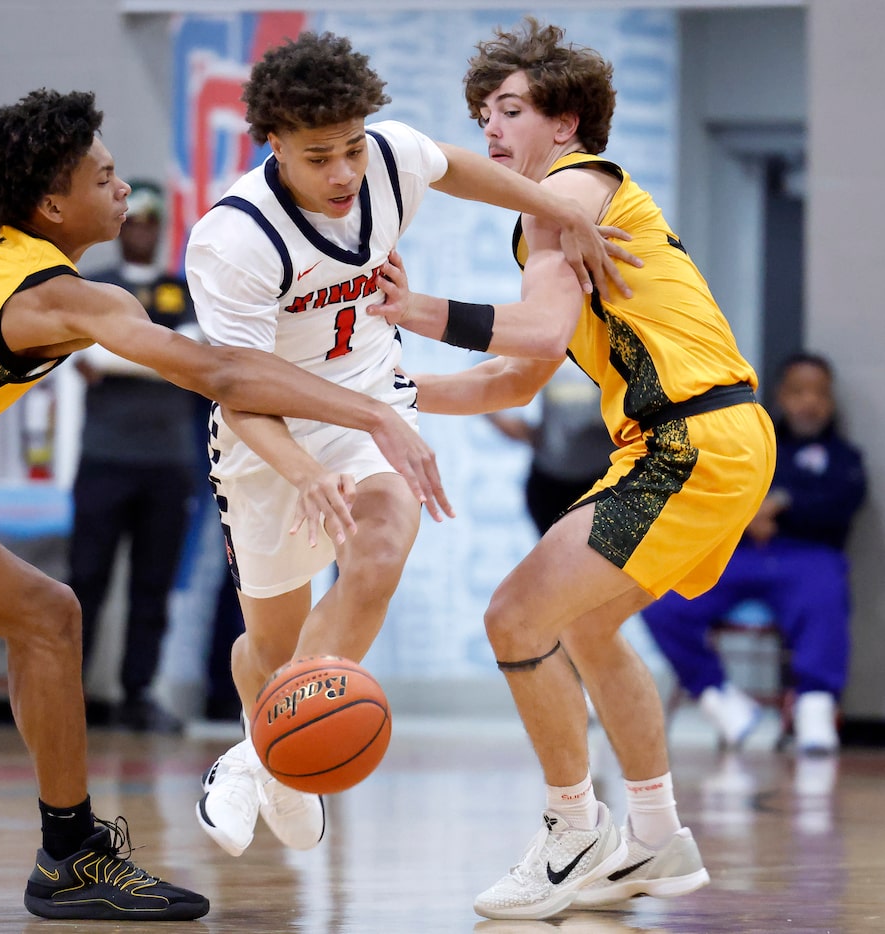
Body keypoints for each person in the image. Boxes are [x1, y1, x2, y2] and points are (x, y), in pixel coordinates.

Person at [0, 88, 455, 923]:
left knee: (42, 616)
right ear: (53, 206)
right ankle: (72, 858)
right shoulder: (67, 299)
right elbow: (222, 374)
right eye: (105, 176)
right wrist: (371, 412)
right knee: (46, 616)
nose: (123, 189)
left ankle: (70, 855)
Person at [183, 30, 637, 861]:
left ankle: (253, 757)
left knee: (381, 547)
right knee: (273, 648)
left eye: (353, 148)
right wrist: (303, 469)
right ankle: (273, 741)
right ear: (273, 144)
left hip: (369, 402)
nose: (344, 173)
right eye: (319, 157)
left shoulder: (388, 158)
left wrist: (559, 208)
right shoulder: (233, 241)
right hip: (268, 431)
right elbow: (239, 391)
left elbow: (456, 167)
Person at [369, 19, 777, 920]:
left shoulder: (570, 186)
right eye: (483, 112)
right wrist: (383, 395)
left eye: (510, 108)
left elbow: (539, 332)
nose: (490, 126)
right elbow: (514, 380)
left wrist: (412, 307)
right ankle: (654, 836)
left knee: (515, 616)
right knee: (587, 628)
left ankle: (570, 829)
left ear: (565, 123)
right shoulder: (554, 216)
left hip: (691, 437)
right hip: (707, 436)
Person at [642, 352, 866, 755]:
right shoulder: (751, 446)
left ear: (831, 401)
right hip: (738, 556)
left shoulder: (843, 458)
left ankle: (814, 706)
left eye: (819, 393)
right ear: (781, 395)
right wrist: (749, 516)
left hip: (806, 558)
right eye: (799, 391)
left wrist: (783, 503)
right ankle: (719, 698)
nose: (809, 402)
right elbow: (713, 494)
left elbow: (841, 504)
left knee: (825, 593)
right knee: (661, 601)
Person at [68, 179, 196, 734]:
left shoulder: (180, 289)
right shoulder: (94, 287)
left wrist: (120, 353)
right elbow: (84, 356)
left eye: (151, 222)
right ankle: (66, 690)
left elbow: (197, 353)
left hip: (168, 461)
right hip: (104, 458)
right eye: (133, 220)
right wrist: (165, 354)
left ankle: (138, 694)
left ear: (161, 227)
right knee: (86, 579)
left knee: (153, 584)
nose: (141, 230)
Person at [487, 360, 613, 535]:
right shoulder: (545, 347)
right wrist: (518, 429)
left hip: (607, 477)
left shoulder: (620, 348)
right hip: (551, 481)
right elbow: (487, 377)